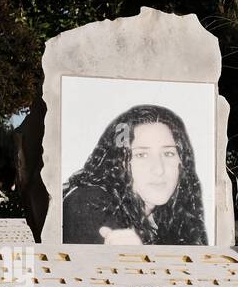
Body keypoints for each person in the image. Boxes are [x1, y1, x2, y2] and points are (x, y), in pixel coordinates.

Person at [62, 104, 209, 245]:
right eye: (142, 155)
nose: (159, 169)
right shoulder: (89, 203)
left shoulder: (172, 216)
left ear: (182, 162)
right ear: (119, 162)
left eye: (168, 153)